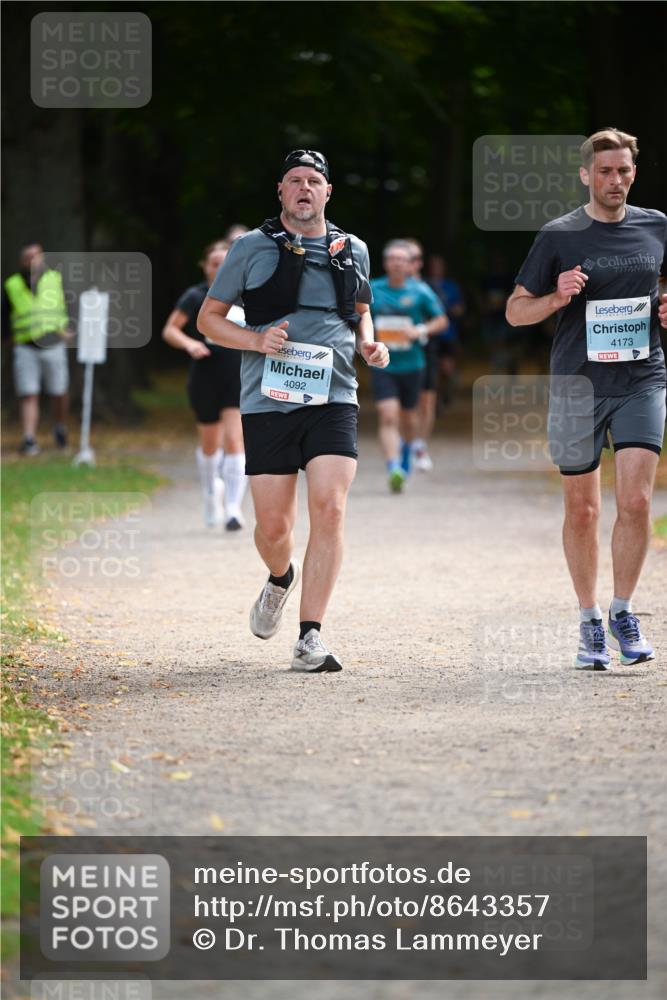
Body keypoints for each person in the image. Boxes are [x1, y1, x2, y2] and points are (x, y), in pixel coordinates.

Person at [198, 149, 389, 672]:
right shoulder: (250, 248)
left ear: (328, 192)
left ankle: (310, 636)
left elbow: (362, 313)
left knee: (329, 507)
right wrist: (256, 340)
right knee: (274, 526)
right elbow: (209, 321)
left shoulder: (354, 250)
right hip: (267, 401)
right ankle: (280, 577)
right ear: (281, 192)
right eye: (294, 181)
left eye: (314, 181)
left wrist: (369, 344)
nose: (305, 189)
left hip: (334, 396)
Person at [506, 127, 666, 671]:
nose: (614, 180)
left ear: (633, 173)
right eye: (604, 171)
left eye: (623, 170)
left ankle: (624, 611)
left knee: (638, 501)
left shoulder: (656, 225)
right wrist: (555, 296)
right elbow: (515, 310)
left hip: (643, 377)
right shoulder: (559, 235)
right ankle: (589, 620)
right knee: (583, 510)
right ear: (585, 175)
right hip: (578, 383)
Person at [162, 240, 247, 530]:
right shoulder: (196, 296)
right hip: (205, 376)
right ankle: (212, 493)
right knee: (210, 444)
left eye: (226, 263)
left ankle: (234, 508)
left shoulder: (245, 295)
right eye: (214, 263)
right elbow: (170, 329)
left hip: (237, 374)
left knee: (235, 440)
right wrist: (190, 344)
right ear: (205, 266)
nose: (220, 268)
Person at [370, 240, 447, 491]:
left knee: (408, 418)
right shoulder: (373, 289)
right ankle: (393, 467)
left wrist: (419, 330)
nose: (396, 263)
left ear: (409, 264)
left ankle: (405, 457)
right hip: (384, 364)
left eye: (401, 259)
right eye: (391, 258)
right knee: (388, 414)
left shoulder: (420, 291)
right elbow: (359, 318)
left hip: (412, 364)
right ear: (385, 263)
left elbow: (441, 320)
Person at [2, 244, 70, 455]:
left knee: (59, 391)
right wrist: (6, 338)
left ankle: (59, 426)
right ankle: (29, 438)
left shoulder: (55, 279)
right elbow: (4, 313)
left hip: (53, 344)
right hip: (26, 346)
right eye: (29, 257)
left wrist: (69, 329)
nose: (33, 261)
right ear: (23, 261)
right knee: (28, 393)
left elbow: (69, 303)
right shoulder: (12, 284)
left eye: (37, 256)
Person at [425, 254, 466, 407]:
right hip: (429, 334)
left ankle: (443, 392)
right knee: (431, 369)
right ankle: (434, 399)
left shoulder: (451, 286)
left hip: (448, 334)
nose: (436, 268)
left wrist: (449, 310)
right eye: (433, 265)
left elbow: (460, 309)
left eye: (439, 265)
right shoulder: (424, 285)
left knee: (447, 368)